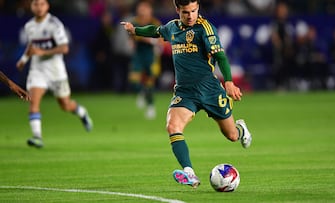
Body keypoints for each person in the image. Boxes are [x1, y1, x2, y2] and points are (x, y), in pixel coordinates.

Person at [121, 0, 252, 188]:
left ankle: (241, 129)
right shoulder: (172, 28)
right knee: (172, 125)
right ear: (177, 10)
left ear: (198, 8)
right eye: (185, 12)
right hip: (185, 92)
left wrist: (229, 82)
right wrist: (136, 31)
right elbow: (156, 31)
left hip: (210, 90)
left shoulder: (205, 29)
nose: (190, 16)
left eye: (193, 11)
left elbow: (220, 56)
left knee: (231, 135)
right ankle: (189, 173)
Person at [16, 0, 93, 148]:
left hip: (56, 72)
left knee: (65, 105)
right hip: (37, 70)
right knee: (33, 102)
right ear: (31, 7)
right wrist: (23, 59)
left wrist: (42, 52)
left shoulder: (54, 24)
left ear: (47, 6)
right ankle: (37, 136)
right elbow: (31, 46)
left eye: (42, 4)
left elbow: (64, 48)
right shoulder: (29, 26)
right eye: (36, 4)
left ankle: (82, 112)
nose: (39, 8)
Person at [128, 0, 162, 119]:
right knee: (133, 80)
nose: (142, 11)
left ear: (150, 11)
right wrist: (133, 40)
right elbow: (131, 36)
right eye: (141, 9)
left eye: (145, 9)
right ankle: (142, 92)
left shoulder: (155, 23)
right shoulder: (134, 22)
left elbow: (161, 40)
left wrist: (149, 40)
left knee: (149, 82)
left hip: (150, 55)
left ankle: (151, 107)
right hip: (138, 54)